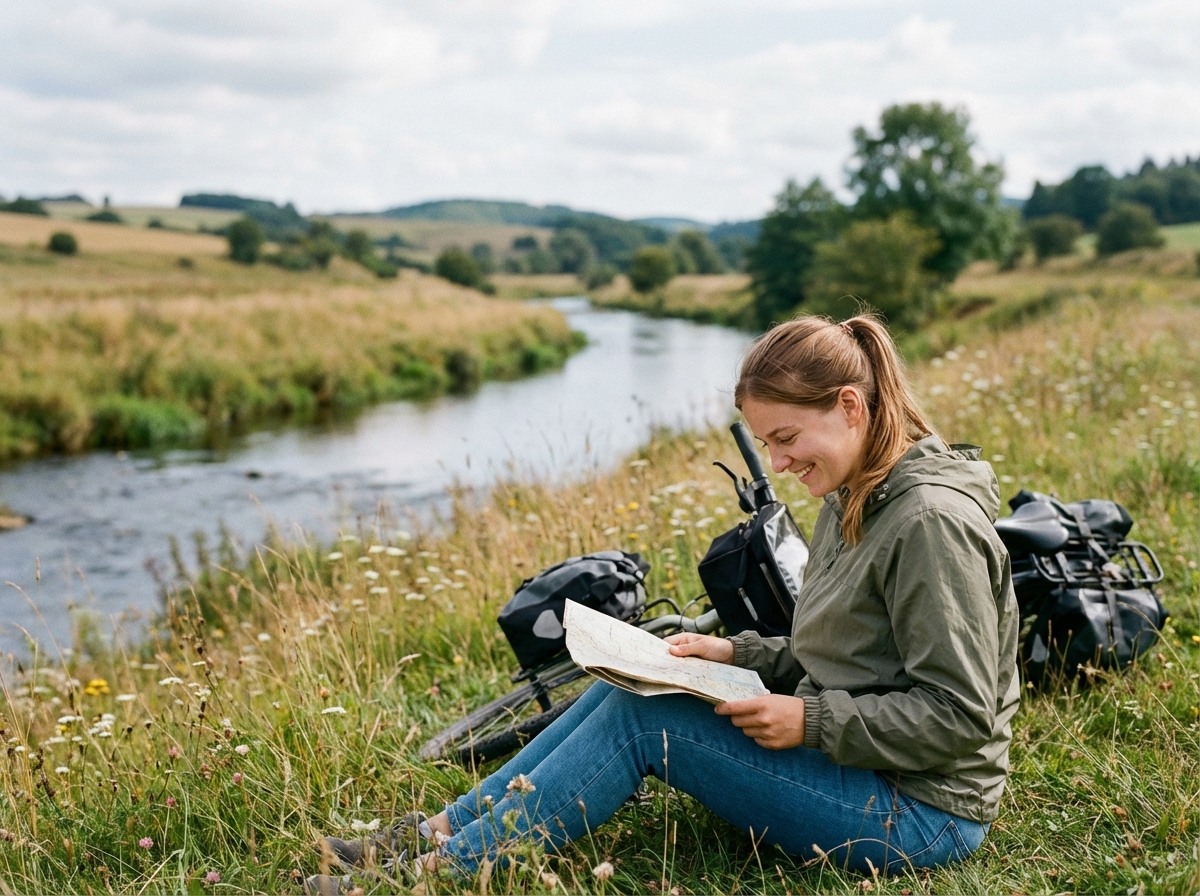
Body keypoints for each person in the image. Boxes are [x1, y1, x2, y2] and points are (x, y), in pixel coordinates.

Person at [306, 314, 1020, 893]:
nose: (777, 463)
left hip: (922, 812)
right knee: (628, 683)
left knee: (645, 722)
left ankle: (436, 878)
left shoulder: (928, 524)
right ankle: (437, 834)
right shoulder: (854, 490)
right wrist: (732, 652)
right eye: (768, 443)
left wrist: (809, 719)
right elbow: (853, 648)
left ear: (850, 407)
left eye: (786, 438)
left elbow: (958, 716)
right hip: (871, 770)